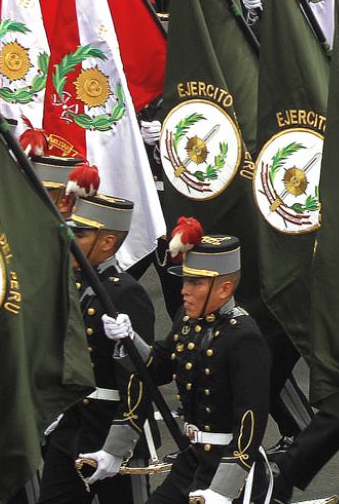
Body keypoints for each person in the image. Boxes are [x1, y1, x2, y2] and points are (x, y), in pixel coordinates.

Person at [41, 193, 158, 503]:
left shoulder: (125, 294)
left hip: (111, 432)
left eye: (80, 234)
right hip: (70, 427)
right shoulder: (72, 285)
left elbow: (138, 381)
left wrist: (116, 448)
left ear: (107, 243)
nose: (71, 238)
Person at [138, 230, 269, 504]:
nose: (184, 291)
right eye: (185, 281)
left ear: (224, 289)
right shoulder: (186, 320)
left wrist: (223, 489)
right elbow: (159, 367)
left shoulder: (244, 336)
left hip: (229, 465)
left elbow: (250, 421)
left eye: (195, 283)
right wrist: (127, 341)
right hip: (191, 460)